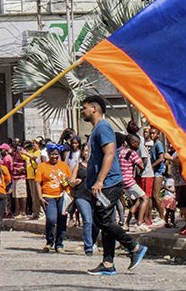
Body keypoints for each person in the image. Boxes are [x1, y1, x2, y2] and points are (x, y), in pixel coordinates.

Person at [81, 95, 147, 276]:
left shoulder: (103, 128)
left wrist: (100, 180)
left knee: (102, 220)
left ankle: (134, 247)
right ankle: (108, 264)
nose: (82, 111)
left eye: (84, 107)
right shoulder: (97, 129)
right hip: (103, 183)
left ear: (94, 109)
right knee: (105, 221)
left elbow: (110, 154)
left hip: (109, 183)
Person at [35, 144, 72, 253]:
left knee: (62, 219)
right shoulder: (42, 166)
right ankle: (49, 241)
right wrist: (40, 197)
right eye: (52, 154)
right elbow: (37, 182)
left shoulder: (64, 166)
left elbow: (69, 180)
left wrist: (69, 192)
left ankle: (59, 244)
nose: (54, 156)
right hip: (48, 196)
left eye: (56, 154)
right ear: (48, 155)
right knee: (51, 219)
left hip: (62, 196)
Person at [118, 134, 150, 232]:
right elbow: (141, 166)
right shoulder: (132, 153)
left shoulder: (120, 152)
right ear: (132, 143)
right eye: (137, 143)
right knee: (145, 198)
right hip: (129, 181)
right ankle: (139, 223)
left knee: (136, 202)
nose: (138, 145)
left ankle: (126, 224)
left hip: (122, 182)